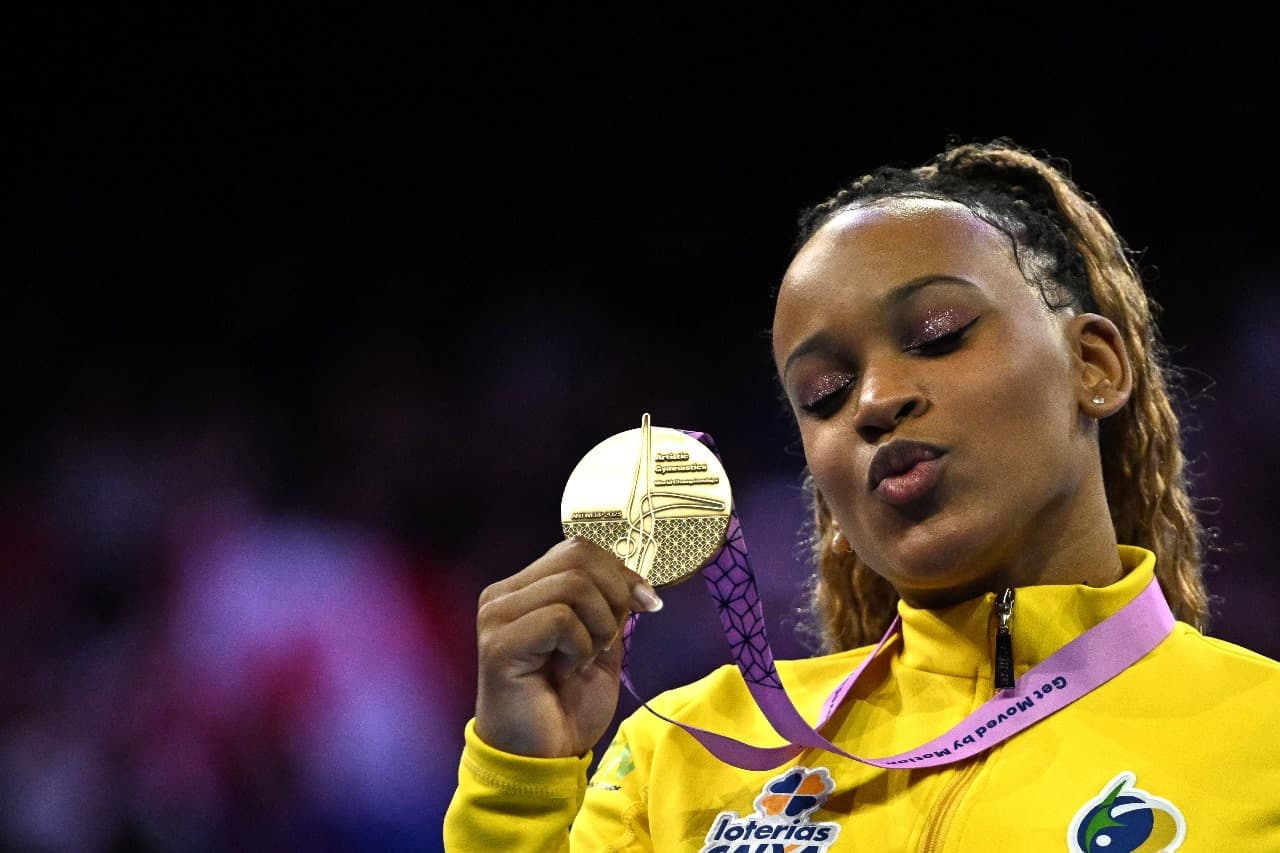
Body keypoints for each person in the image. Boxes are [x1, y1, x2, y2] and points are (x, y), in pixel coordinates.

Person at [442, 139, 1280, 851]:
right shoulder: (684, 756)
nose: (874, 401)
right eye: (825, 393)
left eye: (938, 336)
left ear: (1093, 366)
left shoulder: (1260, 738)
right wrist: (518, 790)